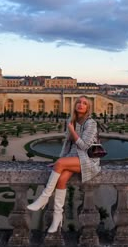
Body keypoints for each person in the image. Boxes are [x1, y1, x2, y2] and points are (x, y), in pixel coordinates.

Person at [27, 95, 101, 233]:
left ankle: (44, 198)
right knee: (61, 179)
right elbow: (67, 145)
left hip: (88, 159)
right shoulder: (71, 120)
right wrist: (59, 161)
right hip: (74, 158)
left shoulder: (91, 123)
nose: (80, 104)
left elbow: (84, 146)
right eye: (78, 102)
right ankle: (57, 218)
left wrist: (72, 131)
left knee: (61, 164)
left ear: (87, 108)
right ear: (75, 105)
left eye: (84, 103)